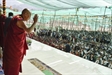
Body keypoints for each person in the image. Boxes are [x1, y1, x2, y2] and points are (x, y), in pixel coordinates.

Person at [3, 8, 38, 75]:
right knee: (13, 65)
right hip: (14, 50)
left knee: (10, 65)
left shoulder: (16, 17)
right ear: (25, 14)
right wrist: (35, 22)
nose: (28, 19)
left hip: (10, 46)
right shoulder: (19, 21)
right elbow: (28, 30)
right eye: (29, 16)